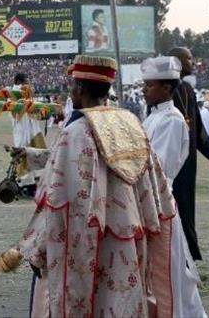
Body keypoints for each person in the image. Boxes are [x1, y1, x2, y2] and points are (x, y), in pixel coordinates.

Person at [13, 55, 179, 316]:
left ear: (79, 89)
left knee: (90, 300)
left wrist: (38, 247)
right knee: (120, 299)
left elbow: (57, 198)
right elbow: (155, 186)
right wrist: (30, 154)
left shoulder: (76, 130)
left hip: (86, 237)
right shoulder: (130, 122)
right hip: (127, 231)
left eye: (72, 85)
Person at [140, 56, 207, 317]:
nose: (144, 90)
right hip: (148, 203)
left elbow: (159, 171)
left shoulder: (172, 120)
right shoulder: (152, 118)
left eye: (149, 85)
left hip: (158, 205)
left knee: (169, 276)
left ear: (167, 88)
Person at [168, 47, 209, 261]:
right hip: (172, 159)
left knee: (187, 206)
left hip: (188, 161)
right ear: (178, 62)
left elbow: (196, 126)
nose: (193, 61)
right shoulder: (165, 89)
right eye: (189, 58)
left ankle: (189, 254)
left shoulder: (187, 89)